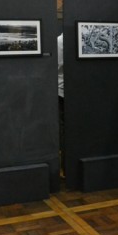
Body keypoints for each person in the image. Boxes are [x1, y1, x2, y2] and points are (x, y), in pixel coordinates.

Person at [57, 33, 65, 176]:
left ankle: (66, 166)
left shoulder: (58, 41)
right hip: (62, 90)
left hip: (61, 90)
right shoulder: (60, 41)